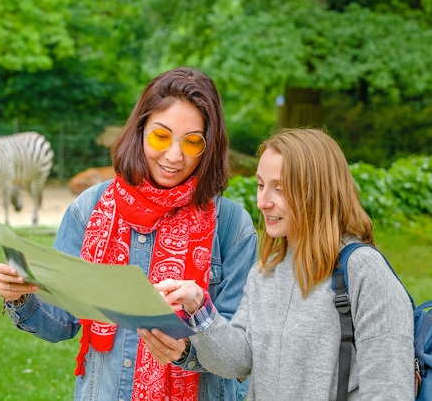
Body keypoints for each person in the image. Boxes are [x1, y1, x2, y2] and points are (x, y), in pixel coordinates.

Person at [0, 66, 257, 401]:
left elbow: (238, 356)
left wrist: (187, 349)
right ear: (140, 129)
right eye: (161, 136)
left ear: (210, 147)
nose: (174, 156)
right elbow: (61, 322)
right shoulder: (90, 207)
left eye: (192, 143)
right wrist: (21, 295)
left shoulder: (232, 226)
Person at [140, 128, 415, 400]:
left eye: (279, 189)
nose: (262, 202)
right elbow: (238, 361)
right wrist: (199, 308)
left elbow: (389, 389)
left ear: (317, 192)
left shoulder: (363, 270)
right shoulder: (265, 271)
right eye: (261, 185)